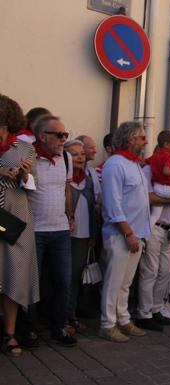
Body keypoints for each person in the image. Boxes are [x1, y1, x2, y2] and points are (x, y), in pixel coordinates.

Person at [99, 121, 151, 342]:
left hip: (134, 234)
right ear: (130, 139)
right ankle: (107, 323)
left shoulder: (135, 165)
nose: (145, 141)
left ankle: (123, 318)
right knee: (113, 282)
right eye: (141, 137)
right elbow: (113, 204)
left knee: (125, 283)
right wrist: (128, 233)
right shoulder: (115, 164)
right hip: (121, 234)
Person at [28, 115, 77, 347]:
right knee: (31, 284)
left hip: (60, 230)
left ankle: (59, 328)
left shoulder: (66, 158)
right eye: (59, 135)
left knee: (62, 282)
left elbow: (67, 189)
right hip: (34, 230)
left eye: (65, 135)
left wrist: (70, 216)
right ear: (42, 136)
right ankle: (28, 330)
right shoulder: (28, 156)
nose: (63, 139)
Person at [0, 94, 39, 356]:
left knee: (14, 273)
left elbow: (33, 185)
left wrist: (24, 175)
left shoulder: (24, 149)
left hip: (15, 217)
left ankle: (10, 333)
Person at [136, 154, 170, 331]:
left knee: (166, 271)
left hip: (169, 229)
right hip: (154, 227)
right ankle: (144, 313)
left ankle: (156, 308)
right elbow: (148, 197)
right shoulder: (148, 170)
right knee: (150, 271)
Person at [64, 140, 97, 333]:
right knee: (61, 278)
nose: (79, 157)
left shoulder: (88, 178)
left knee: (75, 277)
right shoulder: (62, 178)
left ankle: (71, 315)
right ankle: (58, 317)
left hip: (83, 237)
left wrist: (93, 234)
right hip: (64, 234)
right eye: (74, 154)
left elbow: (93, 208)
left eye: (81, 154)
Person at [148, 131, 170, 231]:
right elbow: (166, 171)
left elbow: (145, 161)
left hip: (157, 188)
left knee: (155, 214)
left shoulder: (155, 155)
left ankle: (145, 234)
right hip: (169, 188)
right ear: (166, 144)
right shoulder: (169, 156)